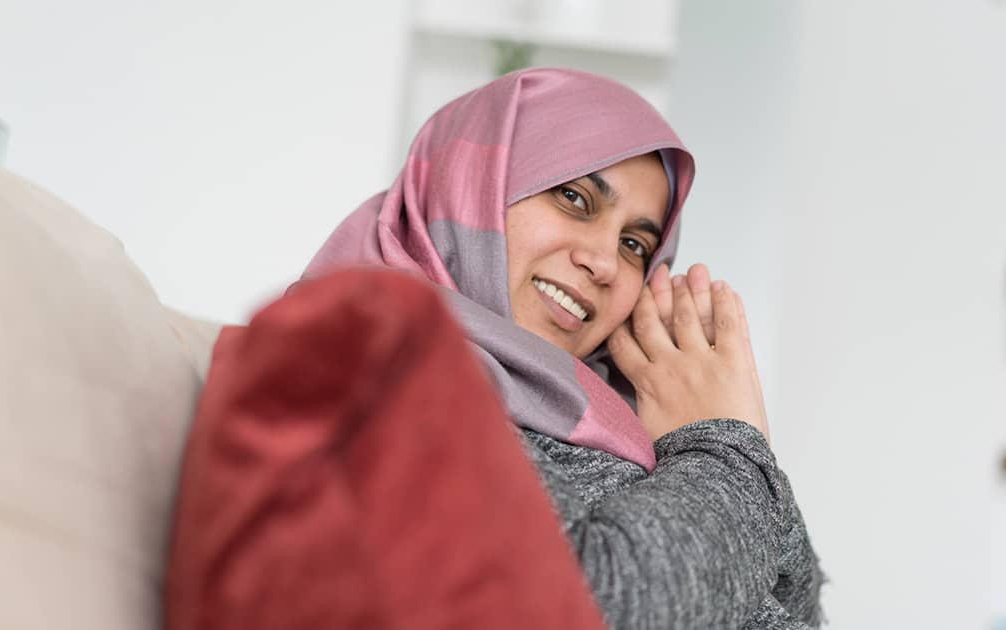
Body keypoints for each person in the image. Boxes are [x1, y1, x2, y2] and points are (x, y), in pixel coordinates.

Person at [300, 67, 823, 629]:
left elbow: (795, 601)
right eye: (574, 197)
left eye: (634, 244)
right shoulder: (382, 377)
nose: (603, 262)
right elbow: (599, 607)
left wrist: (716, 442)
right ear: (472, 185)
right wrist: (727, 443)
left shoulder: (610, 410)